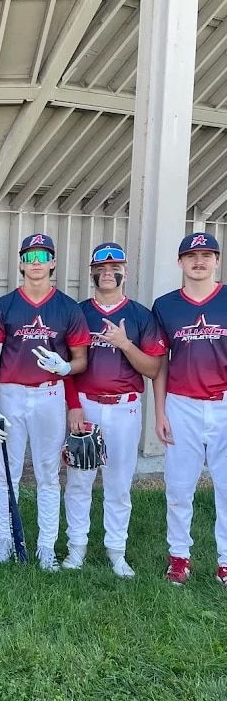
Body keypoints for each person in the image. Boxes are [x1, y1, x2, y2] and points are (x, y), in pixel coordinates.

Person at [0, 233, 90, 571]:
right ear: (21, 263)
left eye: (43, 256)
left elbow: (82, 359)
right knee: (7, 473)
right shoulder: (4, 305)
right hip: (12, 393)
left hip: (49, 395)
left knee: (47, 473)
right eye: (30, 257)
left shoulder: (67, 307)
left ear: (53, 262)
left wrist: (65, 367)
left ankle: (46, 546)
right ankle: (5, 538)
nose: (36, 263)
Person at [62, 242, 163, 578]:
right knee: (79, 479)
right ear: (91, 272)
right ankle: (76, 548)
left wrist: (124, 343)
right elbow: (67, 367)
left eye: (114, 267)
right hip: (87, 405)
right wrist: (73, 406)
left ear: (125, 272)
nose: (107, 273)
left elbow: (152, 368)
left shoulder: (139, 314)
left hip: (125, 408)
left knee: (118, 483)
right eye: (100, 268)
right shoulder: (79, 313)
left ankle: (116, 551)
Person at [152, 232, 227, 586]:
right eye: (192, 255)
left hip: (224, 402)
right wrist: (161, 412)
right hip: (181, 404)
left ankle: (225, 562)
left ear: (216, 260)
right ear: (180, 262)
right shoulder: (166, 305)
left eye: (207, 254)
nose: (199, 261)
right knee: (179, 488)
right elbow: (160, 363)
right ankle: (179, 557)